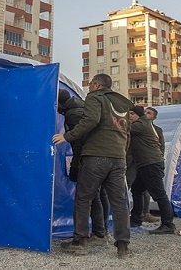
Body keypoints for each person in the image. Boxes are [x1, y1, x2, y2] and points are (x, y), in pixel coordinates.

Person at [53, 74, 134, 258]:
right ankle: (123, 247)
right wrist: (121, 153)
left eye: (90, 85)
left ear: (97, 85)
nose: (89, 88)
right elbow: (127, 133)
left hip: (96, 155)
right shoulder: (122, 103)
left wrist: (67, 136)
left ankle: (80, 241)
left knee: (83, 199)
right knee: (120, 203)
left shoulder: (95, 97)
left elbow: (91, 120)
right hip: (118, 158)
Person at [57, 90, 110, 242]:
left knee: (85, 197)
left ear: (60, 103)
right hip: (100, 157)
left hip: (88, 158)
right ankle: (101, 231)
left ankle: (83, 238)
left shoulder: (72, 114)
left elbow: (78, 142)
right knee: (98, 195)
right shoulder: (82, 107)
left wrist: (75, 165)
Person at [128, 106, 177, 234]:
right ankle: (136, 218)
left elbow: (123, 129)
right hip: (145, 164)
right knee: (137, 190)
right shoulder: (145, 124)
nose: (129, 116)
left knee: (159, 194)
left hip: (150, 164)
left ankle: (168, 224)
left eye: (132, 114)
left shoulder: (141, 124)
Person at [126, 106, 157, 224]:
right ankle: (137, 215)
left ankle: (145, 214)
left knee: (146, 190)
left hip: (143, 162)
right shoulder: (138, 126)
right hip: (134, 162)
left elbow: (160, 144)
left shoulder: (147, 127)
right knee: (134, 188)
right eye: (145, 112)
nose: (147, 114)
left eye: (149, 113)